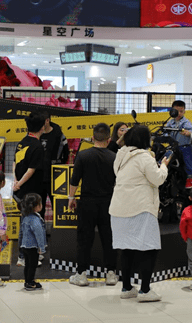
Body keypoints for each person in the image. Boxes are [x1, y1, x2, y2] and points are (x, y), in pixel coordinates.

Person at [109, 125, 169, 302]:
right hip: (141, 208)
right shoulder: (145, 157)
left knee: (126, 248)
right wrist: (164, 166)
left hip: (119, 208)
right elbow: (157, 179)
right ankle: (144, 290)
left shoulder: (120, 154)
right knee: (149, 248)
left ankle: (127, 287)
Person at [67, 123, 118, 287]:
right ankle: (110, 274)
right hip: (109, 203)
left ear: (92, 137)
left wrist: (71, 197)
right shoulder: (114, 157)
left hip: (87, 202)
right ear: (109, 139)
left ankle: (81, 274)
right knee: (109, 238)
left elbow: (75, 180)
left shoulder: (83, 155)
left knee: (84, 238)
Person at [14, 112, 46, 266]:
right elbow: (31, 170)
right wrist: (20, 182)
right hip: (30, 190)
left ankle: (25, 255)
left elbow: (15, 164)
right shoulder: (37, 146)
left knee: (24, 223)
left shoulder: (22, 142)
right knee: (29, 225)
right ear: (41, 127)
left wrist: (16, 182)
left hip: (20, 191)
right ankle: (24, 256)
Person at [39, 112, 69, 221]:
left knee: (56, 205)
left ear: (47, 120)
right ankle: (40, 231)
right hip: (40, 176)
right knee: (39, 207)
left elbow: (66, 153)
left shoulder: (58, 135)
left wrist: (59, 164)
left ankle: (57, 231)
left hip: (55, 176)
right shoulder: (37, 134)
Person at [20, 193, 47, 291]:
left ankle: (28, 280)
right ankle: (30, 282)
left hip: (25, 245)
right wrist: (41, 247)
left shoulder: (26, 216)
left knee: (28, 264)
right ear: (36, 206)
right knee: (33, 265)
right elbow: (39, 234)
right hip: (32, 246)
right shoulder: (35, 219)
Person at [165, 100, 192, 189]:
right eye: (176, 111)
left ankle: (189, 177)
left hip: (184, 146)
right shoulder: (170, 122)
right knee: (165, 156)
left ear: (184, 111)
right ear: (172, 111)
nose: (179, 113)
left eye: (181, 111)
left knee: (188, 157)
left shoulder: (186, 122)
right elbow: (165, 131)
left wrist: (188, 132)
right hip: (173, 147)